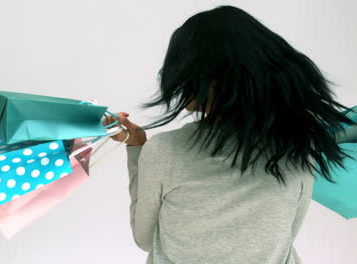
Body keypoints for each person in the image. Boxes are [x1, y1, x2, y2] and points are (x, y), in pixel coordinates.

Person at [102, 5, 356, 264]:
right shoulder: (298, 149)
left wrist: (136, 150)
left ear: (208, 79)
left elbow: (144, 239)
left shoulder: (165, 151)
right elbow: (284, 237)